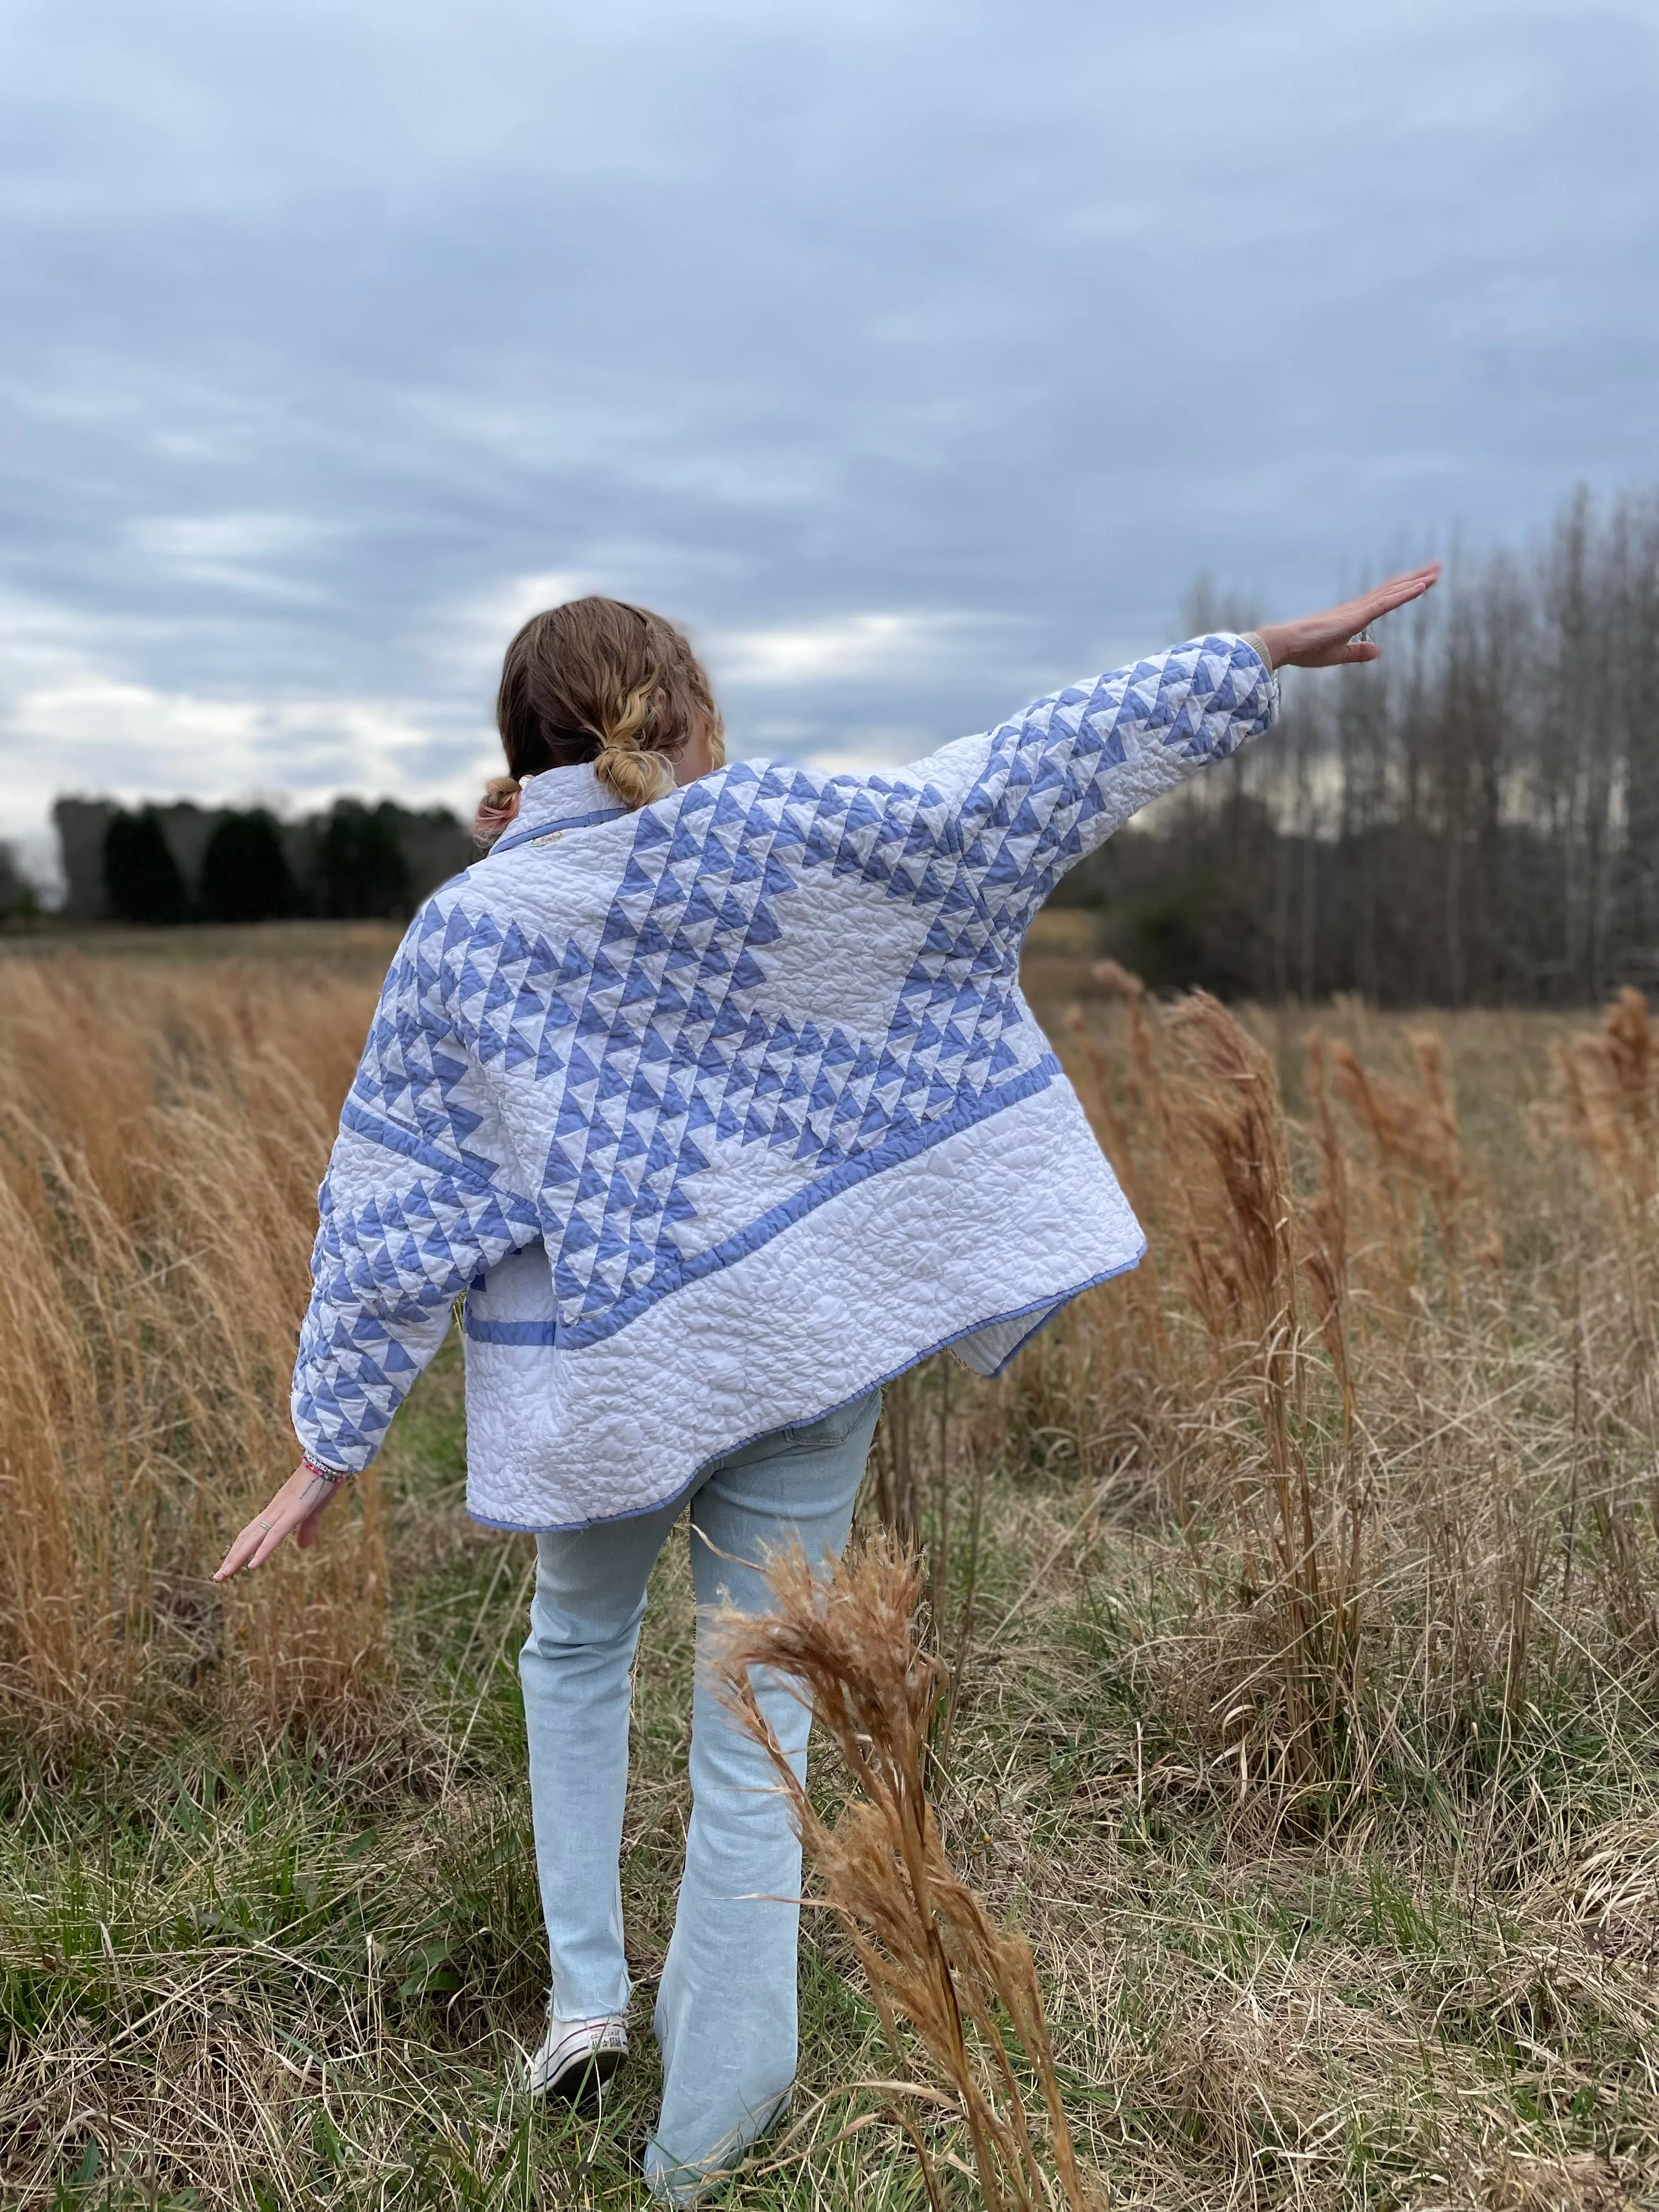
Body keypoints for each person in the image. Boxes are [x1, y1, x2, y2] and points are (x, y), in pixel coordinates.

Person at [217, 565, 1438, 2202]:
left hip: (612, 1383)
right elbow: (1009, 777)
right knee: (759, 1711)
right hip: (805, 1344)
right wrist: (1240, 666)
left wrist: (330, 1439)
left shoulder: (470, 930)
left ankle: (589, 2010)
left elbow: (394, 1205)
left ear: (522, 744)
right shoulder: (776, 833)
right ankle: (705, 2135)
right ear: (686, 713)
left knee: (574, 1649)